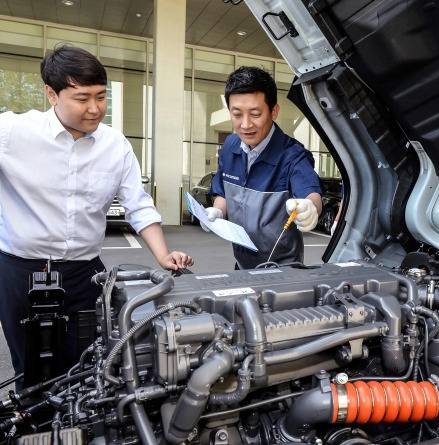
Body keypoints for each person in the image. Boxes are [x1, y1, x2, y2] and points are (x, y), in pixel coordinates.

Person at [0, 45, 194, 385]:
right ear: (51, 94)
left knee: (89, 366)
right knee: (30, 369)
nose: (95, 109)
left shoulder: (115, 145)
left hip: (84, 274)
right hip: (20, 270)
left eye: (102, 97)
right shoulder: (13, 132)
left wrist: (163, 255)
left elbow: (139, 204)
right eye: (82, 98)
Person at [203, 66, 322, 269]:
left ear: (273, 111)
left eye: (255, 114)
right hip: (241, 266)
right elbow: (222, 192)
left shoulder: (292, 155)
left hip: (283, 271)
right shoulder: (230, 147)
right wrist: (217, 211)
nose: (246, 124)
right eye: (237, 114)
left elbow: (311, 195)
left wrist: (310, 209)